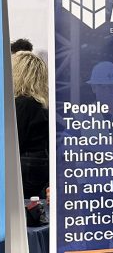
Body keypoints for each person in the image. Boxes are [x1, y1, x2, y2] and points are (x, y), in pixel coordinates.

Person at [12, 51, 50, 198]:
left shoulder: (21, 105)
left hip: (23, 178)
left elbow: (13, 146)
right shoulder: (41, 106)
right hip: (37, 179)